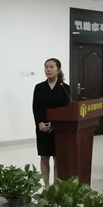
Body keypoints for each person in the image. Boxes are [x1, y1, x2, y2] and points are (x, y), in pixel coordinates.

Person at [32, 58, 71, 186]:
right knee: (44, 156)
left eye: (51, 67)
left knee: (57, 157)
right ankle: (46, 185)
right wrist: (39, 122)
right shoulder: (39, 87)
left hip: (58, 128)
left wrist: (54, 124)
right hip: (42, 127)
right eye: (46, 67)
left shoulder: (64, 88)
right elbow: (35, 107)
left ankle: (55, 185)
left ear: (58, 70)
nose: (48, 69)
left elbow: (66, 109)